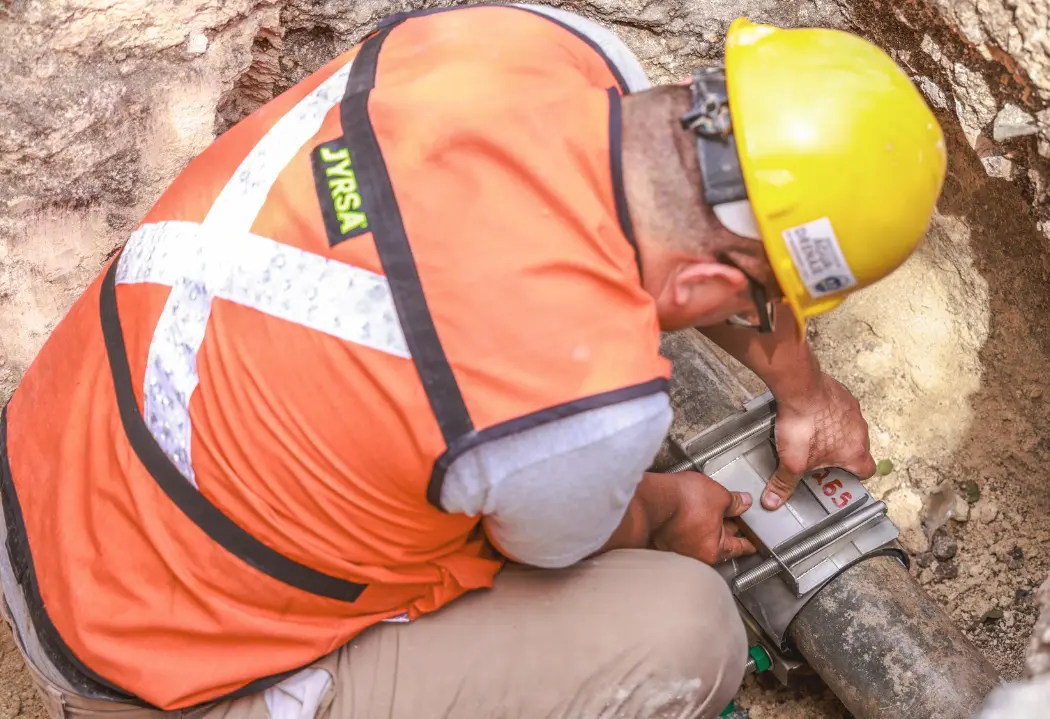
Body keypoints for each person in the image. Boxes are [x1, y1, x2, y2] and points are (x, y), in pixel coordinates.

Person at [0, 5, 945, 718]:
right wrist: (670, 511)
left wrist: (801, 383)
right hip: (134, 659)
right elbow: (553, 547)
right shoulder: (581, 405)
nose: (758, 319)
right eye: (758, 304)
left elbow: (684, 222)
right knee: (684, 628)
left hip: (45, 460)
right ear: (705, 282)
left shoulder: (528, 42)